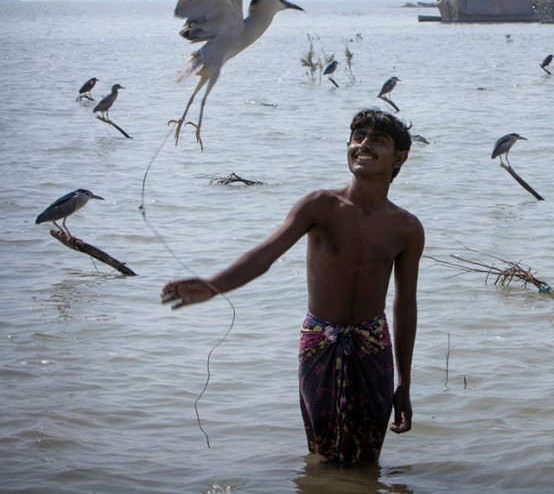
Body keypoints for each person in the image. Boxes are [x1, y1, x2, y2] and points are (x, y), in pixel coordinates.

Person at [161, 108, 423, 465]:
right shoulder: (321, 205)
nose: (364, 145)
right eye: (358, 137)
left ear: (400, 157)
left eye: (378, 140)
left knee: (367, 453)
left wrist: (404, 384)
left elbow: (405, 304)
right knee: (324, 448)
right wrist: (214, 285)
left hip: (372, 340)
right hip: (320, 339)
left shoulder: (406, 227)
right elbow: (265, 254)